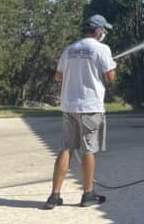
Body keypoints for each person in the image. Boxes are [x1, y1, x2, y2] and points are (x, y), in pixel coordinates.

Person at [43, 14, 117, 209]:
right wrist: (107, 67)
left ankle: (54, 196)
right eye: (104, 30)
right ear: (99, 30)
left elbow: (58, 76)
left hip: (69, 106)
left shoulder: (70, 49)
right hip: (90, 107)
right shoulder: (102, 49)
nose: (104, 33)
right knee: (88, 150)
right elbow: (110, 77)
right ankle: (88, 194)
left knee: (66, 148)